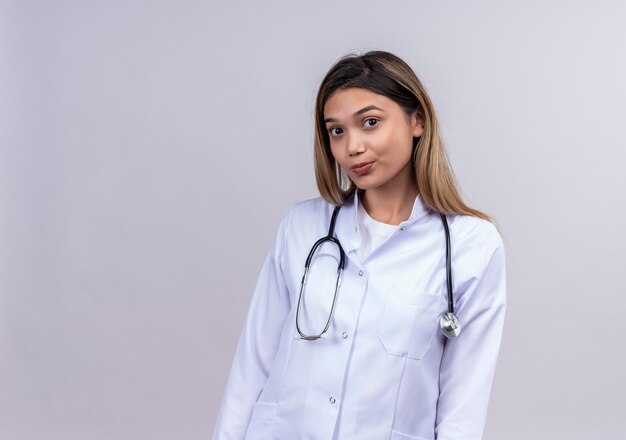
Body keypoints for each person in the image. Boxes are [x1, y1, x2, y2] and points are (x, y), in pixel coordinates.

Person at [212, 50, 507, 440]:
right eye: (337, 130)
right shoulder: (301, 227)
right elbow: (251, 367)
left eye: (370, 122)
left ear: (417, 120)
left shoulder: (473, 246)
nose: (352, 147)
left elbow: (462, 408)